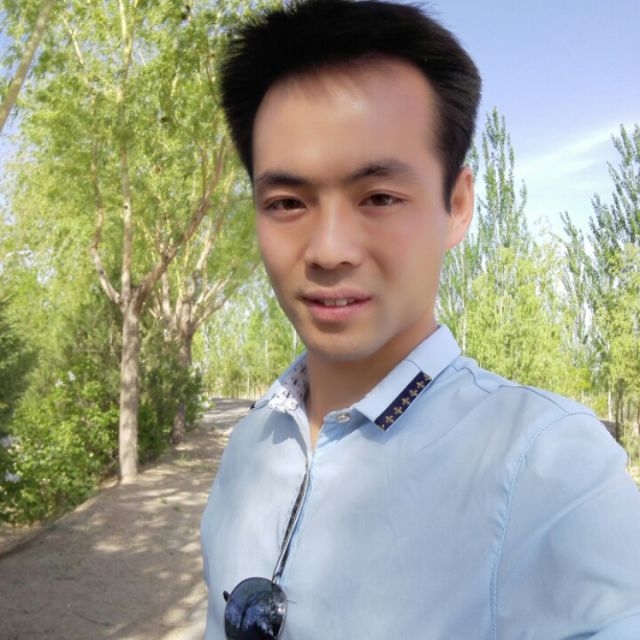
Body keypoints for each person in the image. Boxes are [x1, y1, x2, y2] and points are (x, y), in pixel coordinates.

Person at [200, 1, 640, 638]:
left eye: (379, 197)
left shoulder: (547, 470)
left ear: (456, 205)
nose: (328, 250)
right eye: (288, 202)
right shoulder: (249, 446)